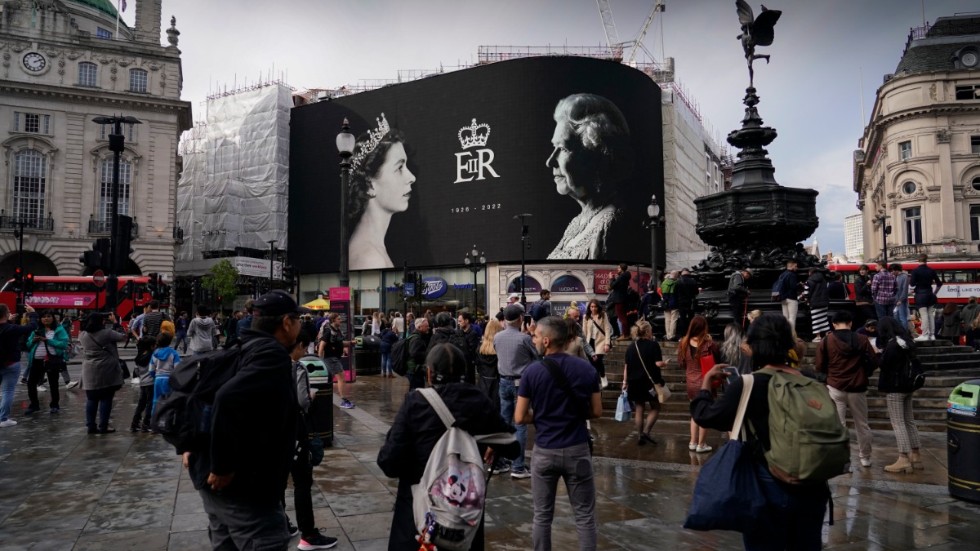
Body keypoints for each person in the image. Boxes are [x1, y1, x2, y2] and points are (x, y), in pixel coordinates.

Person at [691, 314, 831, 551]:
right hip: (812, 485)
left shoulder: (749, 383)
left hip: (767, 483)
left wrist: (706, 384)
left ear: (753, 347)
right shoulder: (811, 380)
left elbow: (706, 416)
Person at [183, 290, 304, 551]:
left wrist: (192, 444)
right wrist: (222, 466)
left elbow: (203, 395)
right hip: (247, 491)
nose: (300, 324)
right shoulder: (271, 356)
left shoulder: (240, 346)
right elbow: (227, 398)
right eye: (298, 319)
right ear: (286, 322)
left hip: (217, 490)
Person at [378, 343, 519, 551]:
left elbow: (388, 462)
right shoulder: (478, 400)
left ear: (429, 373)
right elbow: (513, 448)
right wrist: (487, 442)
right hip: (463, 517)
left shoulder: (416, 403)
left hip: (419, 513)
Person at [515, 316, 602, 550]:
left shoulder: (532, 372)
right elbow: (596, 411)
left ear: (546, 341)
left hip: (545, 450)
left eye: (534, 336)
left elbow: (520, 417)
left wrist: (543, 414)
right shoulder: (586, 369)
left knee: (542, 515)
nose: (531, 340)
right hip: (577, 448)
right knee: (584, 516)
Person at [546, 93, 633, 261]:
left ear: (596, 155)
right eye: (554, 147)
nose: (550, 162)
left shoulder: (611, 223)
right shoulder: (577, 222)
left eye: (563, 149)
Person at [286, 336, 339, 550]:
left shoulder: (267, 365)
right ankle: (308, 534)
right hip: (296, 433)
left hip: (274, 434)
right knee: (302, 483)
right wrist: (310, 398)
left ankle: (282, 525)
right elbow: (302, 401)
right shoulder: (296, 368)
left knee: (279, 482)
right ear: (298, 346)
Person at [348, 114, 415, 270]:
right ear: (370, 184)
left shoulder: (373, 248)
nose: (412, 177)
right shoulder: (370, 258)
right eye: (399, 168)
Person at [814, 310, 878, 468]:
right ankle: (865, 457)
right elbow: (874, 361)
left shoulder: (827, 340)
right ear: (850, 323)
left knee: (839, 424)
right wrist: (865, 373)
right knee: (862, 424)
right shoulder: (862, 339)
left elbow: (819, 365)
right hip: (858, 386)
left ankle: (844, 460)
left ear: (834, 324)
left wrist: (826, 378)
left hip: (835, 385)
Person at [494, 303, 538, 479]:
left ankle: (499, 462)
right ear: (520, 318)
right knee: (520, 424)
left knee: (504, 423)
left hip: (503, 380)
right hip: (521, 383)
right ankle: (518, 466)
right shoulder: (524, 338)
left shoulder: (497, 337)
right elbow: (537, 356)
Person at [876, 317, 923, 474]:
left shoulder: (892, 345)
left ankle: (903, 457)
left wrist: (878, 354)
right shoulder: (906, 341)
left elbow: (884, 364)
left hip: (895, 387)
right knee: (909, 420)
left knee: (898, 422)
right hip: (908, 385)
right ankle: (915, 455)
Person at [78, 312, 127, 434]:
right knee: (106, 398)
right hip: (106, 369)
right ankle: (104, 426)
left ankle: (91, 426)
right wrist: (116, 323)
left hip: (89, 370)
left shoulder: (82, 335)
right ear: (102, 322)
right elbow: (123, 336)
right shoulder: (107, 333)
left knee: (91, 399)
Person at [679, 315, 721, 453]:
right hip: (705, 382)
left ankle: (692, 441)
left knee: (694, 413)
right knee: (705, 413)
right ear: (704, 328)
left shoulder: (684, 342)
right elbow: (717, 360)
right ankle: (701, 444)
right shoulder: (709, 344)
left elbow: (681, 363)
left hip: (690, 382)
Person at [622, 320, 665, 445]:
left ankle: (640, 435)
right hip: (648, 383)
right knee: (656, 407)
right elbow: (658, 364)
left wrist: (625, 382)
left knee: (639, 408)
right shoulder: (653, 345)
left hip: (634, 382)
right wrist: (664, 364)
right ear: (647, 331)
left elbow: (626, 367)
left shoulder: (631, 347)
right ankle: (646, 432)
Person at [23, 310, 69, 415]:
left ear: (53, 318)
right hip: (36, 360)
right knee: (31, 383)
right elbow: (28, 345)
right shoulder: (36, 330)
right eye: (43, 317)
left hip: (51, 361)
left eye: (48, 316)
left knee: (53, 384)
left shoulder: (58, 329)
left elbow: (63, 344)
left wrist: (47, 340)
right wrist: (33, 340)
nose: (46, 318)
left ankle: (54, 405)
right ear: (40, 319)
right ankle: (34, 405)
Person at [0, 304, 37, 428]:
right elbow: (31, 327)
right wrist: (32, 313)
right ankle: (3, 418)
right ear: (5, 314)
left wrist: (9, 320)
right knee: (7, 391)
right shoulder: (12, 328)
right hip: (10, 363)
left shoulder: (10, 327)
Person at [317, 313, 354, 409]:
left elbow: (340, 343)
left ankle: (321, 396)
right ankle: (343, 400)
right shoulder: (328, 331)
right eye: (338, 319)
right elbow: (321, 345)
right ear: (333, 320)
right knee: (341, 378)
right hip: (331, 358)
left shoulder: (337, 331)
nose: (340, 320)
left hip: (335, 358)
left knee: (330, 378)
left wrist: (350, 343)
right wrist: (320, 360)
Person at [909, 254, 942, 342]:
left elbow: (912, 284)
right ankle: (932, 334)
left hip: (920, 294)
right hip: (930, 294)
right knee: (931, 315)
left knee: (924, 315)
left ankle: (925, 334)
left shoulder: (915, 271)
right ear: (926, 260)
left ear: (918, 260)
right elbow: (939, 284)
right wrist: (934, 293)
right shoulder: (931, 270)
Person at [583, 299, 612, 389]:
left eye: (595, 306)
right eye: (591, 307)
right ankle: (595, 380)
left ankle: (603, 377)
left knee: (598, 360)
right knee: (592, 362)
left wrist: (607, 343)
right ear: (589, 307)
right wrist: (583, 343)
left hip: (601, 341)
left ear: (598, 307)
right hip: (589, 341)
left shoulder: (603, 315)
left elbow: (607, 329)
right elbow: (584, 331)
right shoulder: (586, 316)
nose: (593, 308)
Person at [149, 332, 180, 414]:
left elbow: (151, 370)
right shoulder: (174, 353)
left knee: (156, 400)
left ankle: (155, 418)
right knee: (168, 401)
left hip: (158, 379)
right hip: (169, 379)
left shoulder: (155, 354)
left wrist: (155, 376)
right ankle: (167, 419)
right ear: (169, 341)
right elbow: (177, 369)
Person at [773, 260, 800, 332]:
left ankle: (785, 334)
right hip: (791, 298)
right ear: (791, 266)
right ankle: (791, 335)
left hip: (783, 298)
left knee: (785, 318)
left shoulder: (782, 274)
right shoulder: (792, 275)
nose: (797, 268)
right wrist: (800, 285)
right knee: (792, 318)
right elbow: (793, 287)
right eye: (795, 266)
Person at [607, 264, 632, 340]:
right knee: (623, 317)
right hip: (622, 299)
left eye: (618, 268)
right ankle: (626, 333)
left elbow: (612, 286)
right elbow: (616, 285)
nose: (617, 269)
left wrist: (611, 278)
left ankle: (625, 334)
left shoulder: (621, 277)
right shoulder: (624, 277)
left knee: (622, 317)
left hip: (619, 299)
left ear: (622, 269)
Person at [406, 317, 431, 390]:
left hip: (414, 370)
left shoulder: (417, 336)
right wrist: (427, 354)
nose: (428, 328)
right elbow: (414, 353)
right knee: (416, 391)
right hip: (414, 371)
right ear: (419, 327)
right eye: (426, 326)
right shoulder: (416, 339)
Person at [805, 268, 830, 341]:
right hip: (824, 303)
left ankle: (818, 336)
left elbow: (806, 292)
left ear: (810, 273)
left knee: (815, 320)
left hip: (815, 303)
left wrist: (805, 299)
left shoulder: (809, 281)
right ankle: (827, 334)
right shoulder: (823, 280)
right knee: (824, 319)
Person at [674, 269, 700, 338]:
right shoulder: (693, 281)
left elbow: (675, 293)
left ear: (682, 274)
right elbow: (696, 292)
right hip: (690, 302)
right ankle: (691, 333)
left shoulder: (678, 282)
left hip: (681, 302)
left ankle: (683, 334)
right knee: (691, 318)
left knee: (682, 319)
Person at [458, 312, 482, 384]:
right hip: (460, 366)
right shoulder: (458, 332)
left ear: (466, 321)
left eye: (460, 321)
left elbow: (471, 352)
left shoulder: (473, 334)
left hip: (469, 366)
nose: (458, 323)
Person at [891, 264, 911, 333]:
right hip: (895, 300)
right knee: (896, 317)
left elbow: (904, 289)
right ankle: (899, 332)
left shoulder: (904, 277)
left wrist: (901, 300)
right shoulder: (895, 276)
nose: (892, 272)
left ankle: (905, 333)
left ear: (896, 270)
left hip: (901, 300)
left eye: (892, 270)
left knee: (902, 318)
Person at [661, 270, 679, 340]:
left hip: (666, 303)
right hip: (674, 303)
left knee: (667, 319)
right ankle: (672, 335)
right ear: (676, 275)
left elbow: (662, 293)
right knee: (674, 319)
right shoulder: (676, 283)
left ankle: (668, 335)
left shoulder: (664, 283)